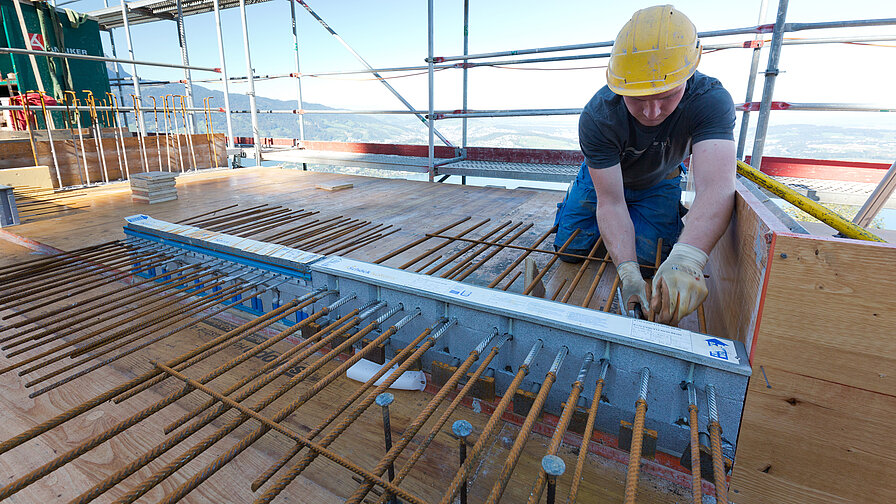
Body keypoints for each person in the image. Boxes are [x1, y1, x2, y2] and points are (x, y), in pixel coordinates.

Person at [553, 5, 736, 325]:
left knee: (655, 262)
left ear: (688, 74)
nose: (652, 112)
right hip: (606, 183)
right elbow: (610, 201)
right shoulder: (599, 116)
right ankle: (570, 205)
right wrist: (627, 274)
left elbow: (717, 187)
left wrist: (687, 258)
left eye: (667, 95)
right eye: (637, 98)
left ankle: (643, 235)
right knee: (570, 250)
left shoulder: (709, 100)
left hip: (660, 181)